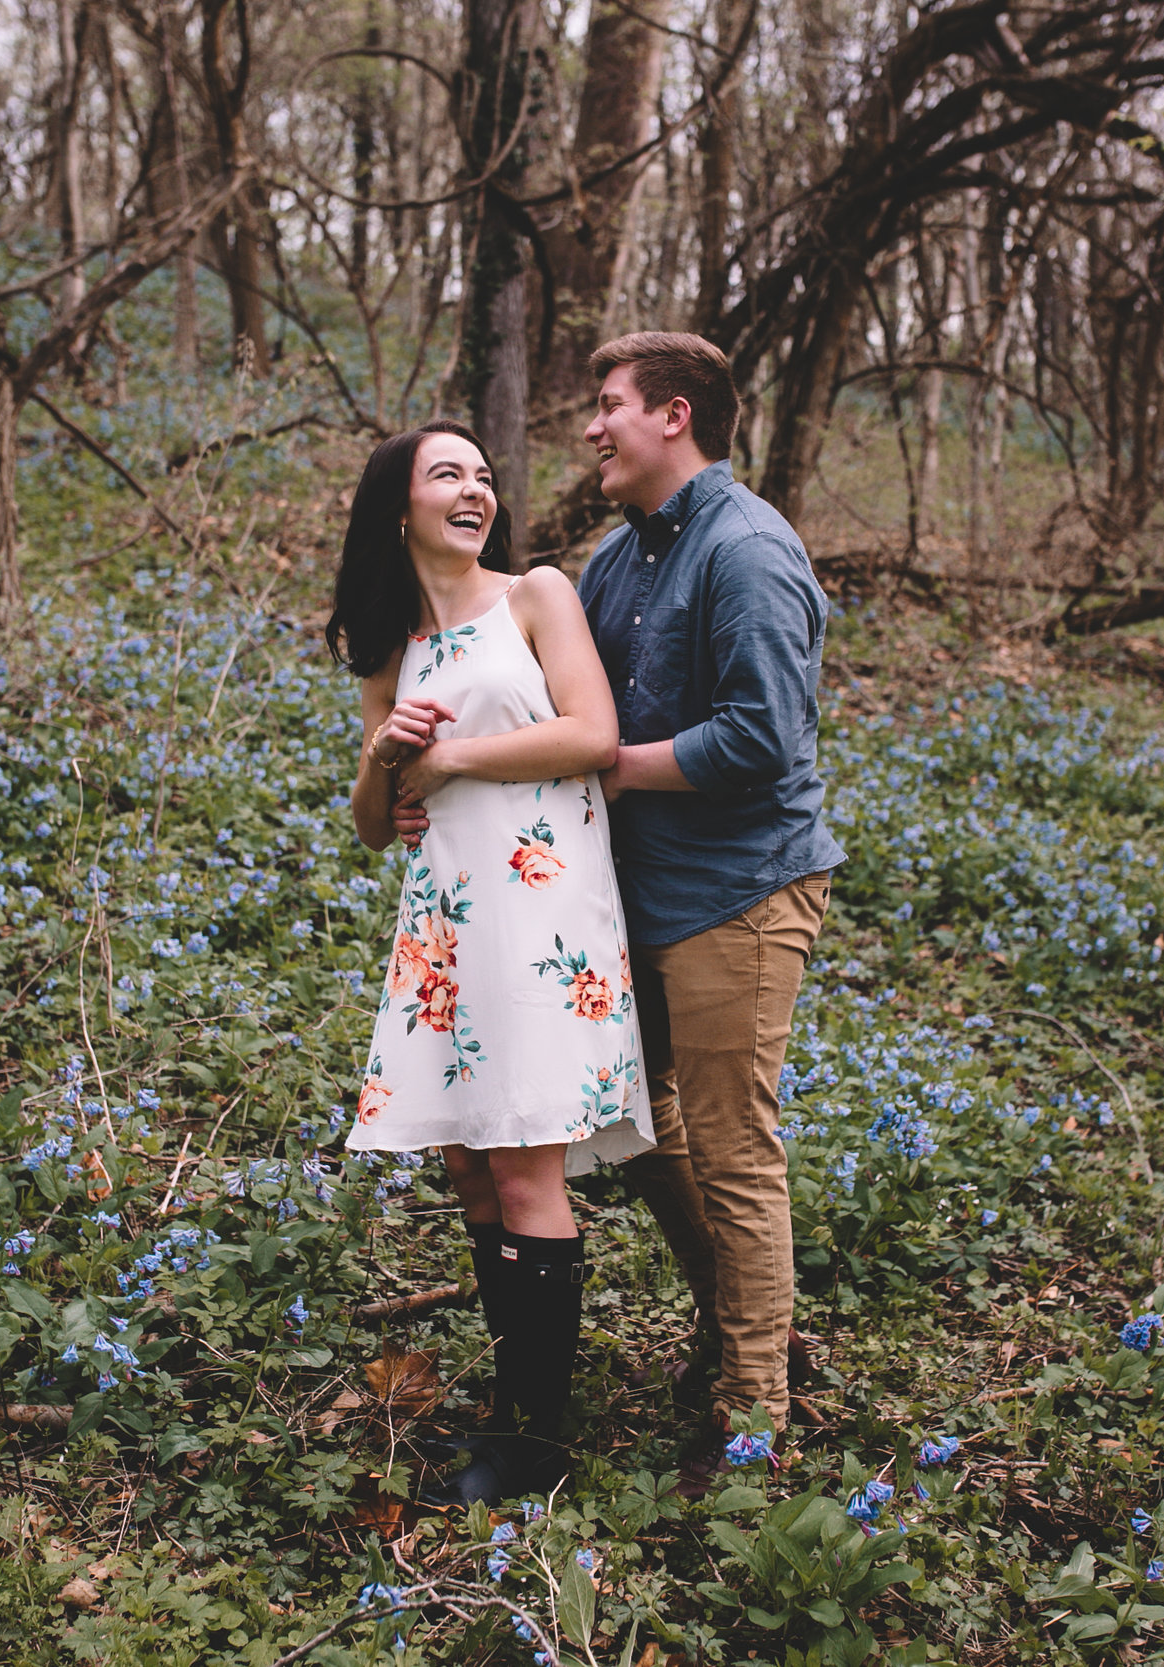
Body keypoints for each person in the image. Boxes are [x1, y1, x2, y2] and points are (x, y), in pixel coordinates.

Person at [329, 418, 656, 1505]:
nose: (475, 490)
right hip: (446, 920)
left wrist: (451, 754)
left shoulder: (536, 597)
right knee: (470, 1162)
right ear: (399, 508)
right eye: (446, 475)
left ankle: (531, 1437)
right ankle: (510, 1402)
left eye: (481, 475)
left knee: (524, 1161)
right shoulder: (387, 646)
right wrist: (386, 759)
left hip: (540, 911)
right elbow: (378, 824)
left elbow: (594, 734)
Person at [574, 331, 844, 1461]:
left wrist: (608, 762)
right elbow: (559, 693)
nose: (592, 427)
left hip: (741, 887)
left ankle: (751, 1418)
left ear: (673, 415)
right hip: (637, 889)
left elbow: (761, 738)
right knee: (623, 1115)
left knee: (734, 1148)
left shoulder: (747, 550)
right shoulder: (614, 557)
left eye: (609, 405)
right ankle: (746, 1313)